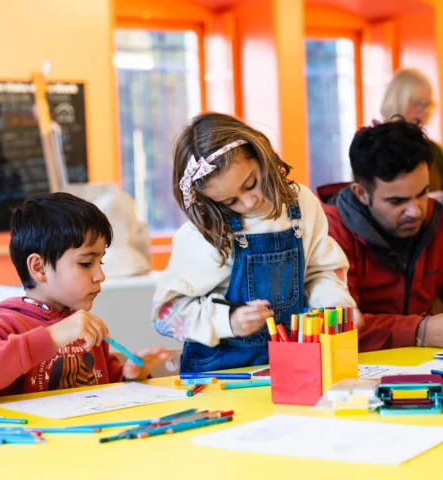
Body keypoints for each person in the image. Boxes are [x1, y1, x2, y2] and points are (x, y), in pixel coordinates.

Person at [151, 112, 360, 373]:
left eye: (251, 183)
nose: (249, 202)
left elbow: (320, 271)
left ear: (260, 154)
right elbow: (166, 314)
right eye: (230, 202)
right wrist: (228, 321)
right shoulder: (206, 232)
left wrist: (335, 308)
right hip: (220, 373)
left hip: (290, 365)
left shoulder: (300, 203)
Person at [0, 192, 171, 404]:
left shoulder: (83, 326)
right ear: (39, 267)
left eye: (101, 263)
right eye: (86, 263)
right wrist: (51, 337)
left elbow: (106, 389)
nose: (100, 276)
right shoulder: (6, 324)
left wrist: (130, 376)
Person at [316, 119, 443, 352]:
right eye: (397, 201)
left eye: (422, 193)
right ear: (362, 193)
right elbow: (339, 326)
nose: (415, 210)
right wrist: (421, 330)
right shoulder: (328, 233)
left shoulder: (437, 218)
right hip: (353, 373)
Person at [380, 67, 443, 200]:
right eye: (417, 104)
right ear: (397, 102)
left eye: (428, 105)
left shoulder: (433, 149)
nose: (424, 112)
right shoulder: (372, 148)